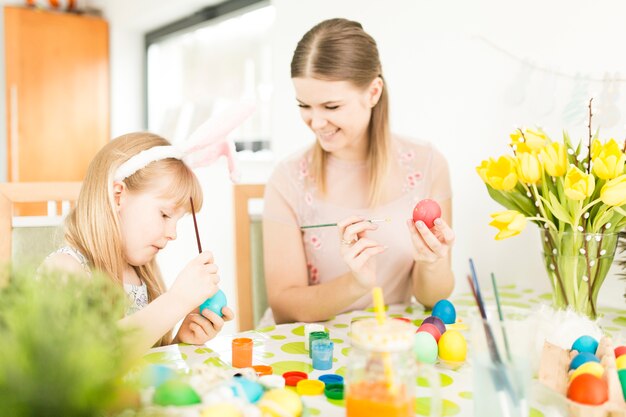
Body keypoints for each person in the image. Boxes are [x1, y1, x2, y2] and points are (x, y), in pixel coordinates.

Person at [262, 18, 455, 324]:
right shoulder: (287, 180)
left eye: (331, 107)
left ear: (373, 92)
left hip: (392, 346)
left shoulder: (428, 165)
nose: (316, 122)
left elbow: (432, 298)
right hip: (312, 351)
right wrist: (356, 284)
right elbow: (284, 307)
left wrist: (432, 262)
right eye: (304, 106)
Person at [41, 132, 234, 356]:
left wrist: (181, 340)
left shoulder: (142, 274)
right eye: (164, 215)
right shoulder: (64, 270)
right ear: (118, 196)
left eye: (177, 221)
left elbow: (142, 364)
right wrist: (175, 301)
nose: (173, 234)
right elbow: (91, 363)